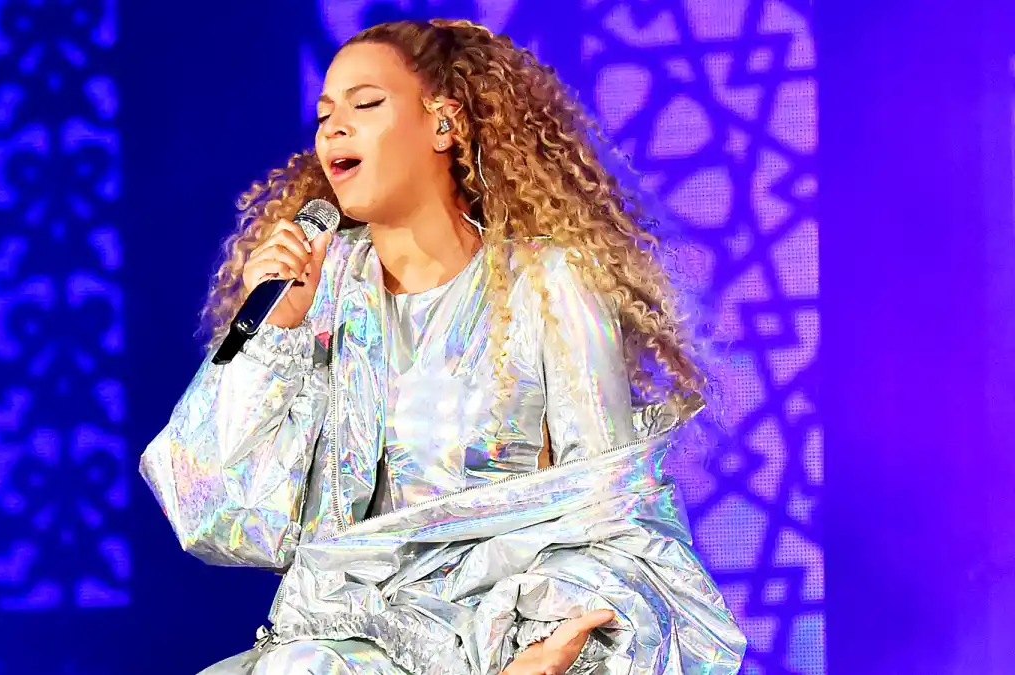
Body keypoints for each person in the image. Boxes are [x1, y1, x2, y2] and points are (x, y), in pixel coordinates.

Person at [141, 18, 746, 675]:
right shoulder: (315, 292)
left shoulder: (547, 283)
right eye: (323, 115)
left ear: (443, 124)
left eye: (366, 104)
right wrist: (271, 332)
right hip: (334, 644)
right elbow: (210, 505)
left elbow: (610, 509)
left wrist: (550, 652)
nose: (334, 127)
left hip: (493, 641)